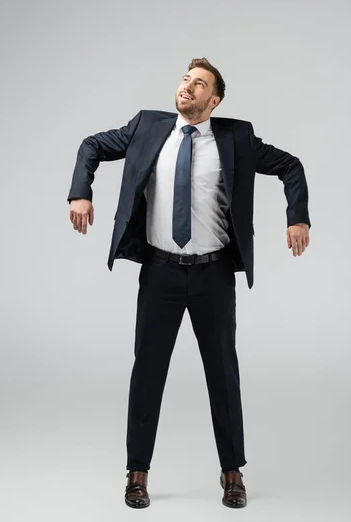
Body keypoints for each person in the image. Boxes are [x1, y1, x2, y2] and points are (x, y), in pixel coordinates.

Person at [67, 57, 311, 509]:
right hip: (159, 272)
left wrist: (297, 218)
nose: (187, 87)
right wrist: (81, 190)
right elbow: (90, 146)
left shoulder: (236, 137)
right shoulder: (146, 127)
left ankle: (232, 473)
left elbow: (290, 166)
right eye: (185, 79)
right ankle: (136, 473)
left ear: (213, 100)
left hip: (213, 274)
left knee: (222, 373)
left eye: (199, 84)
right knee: (147, 373)